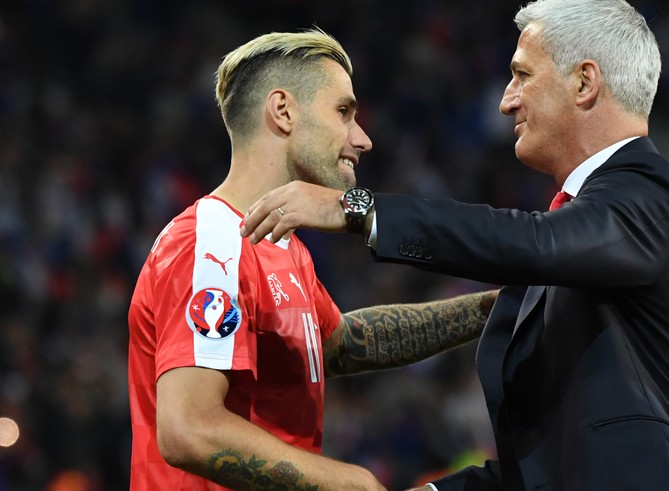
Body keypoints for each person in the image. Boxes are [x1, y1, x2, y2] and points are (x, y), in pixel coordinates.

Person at [240, 0, 669, 489]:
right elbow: (546, 469)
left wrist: (358, 208)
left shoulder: (652, 188)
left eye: (522, 75)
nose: (507, 99)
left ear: (584, 83)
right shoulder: (583, 250)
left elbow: (538, 242)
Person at [128, 29, 497, 490]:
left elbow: (342, 342)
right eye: (344, 112)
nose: (362, 139)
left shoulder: (283, 245)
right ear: (283, 112)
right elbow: (189, 431)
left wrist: (493, 309)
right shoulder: (212, 244)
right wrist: (349, 483)